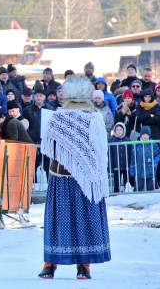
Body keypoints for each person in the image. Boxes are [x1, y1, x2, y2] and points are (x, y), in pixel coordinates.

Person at [38, 76, 111, 280]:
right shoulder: (61, 117)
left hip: (81, 177)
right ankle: (56, 263)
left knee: (66, 221)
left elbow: (98, 149)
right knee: (68, 220)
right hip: (63, 176)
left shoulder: (91, 117)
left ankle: (78, 265)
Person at [129, 126, 160, 192]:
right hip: (139, 172)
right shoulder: (136, 145)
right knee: (138, 189)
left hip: (150, 171)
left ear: (149, 135)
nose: (145, 136)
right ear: (140, 135)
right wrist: (132, 168)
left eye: (147, 135)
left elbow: (158, 155)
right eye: (143, 134)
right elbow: (133, 158)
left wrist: (154, 163)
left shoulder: (153, 144)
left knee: (151, 190)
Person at [109, 122, 131, 193]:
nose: (119, 131)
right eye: (117, 130)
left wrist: (130, 164)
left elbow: (130, 153)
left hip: (126, 165)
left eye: (120, 130)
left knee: (126, 182)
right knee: (116, 183)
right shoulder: (112, 141)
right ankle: (116, 194)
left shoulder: (127, 140)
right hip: (116, 166)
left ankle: (126, 194)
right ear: (115, 131)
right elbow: (110, 155)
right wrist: (111, 166)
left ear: (123, 130)